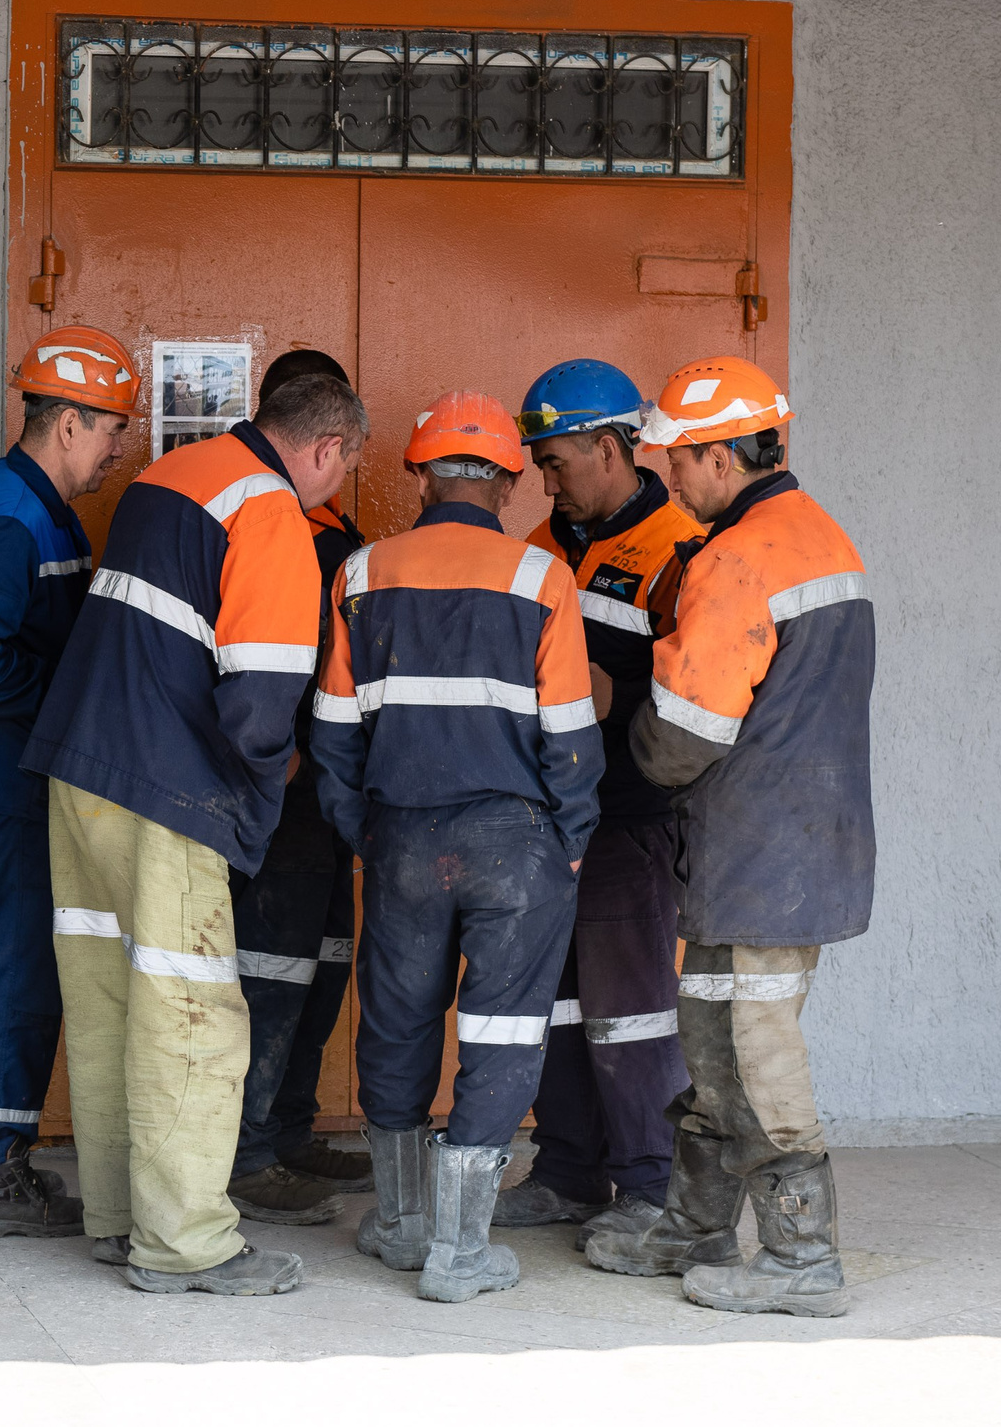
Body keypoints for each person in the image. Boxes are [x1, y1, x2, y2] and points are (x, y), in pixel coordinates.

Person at [23, 372, 367, 1297]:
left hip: (78, 770)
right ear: (327, 449)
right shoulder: (270, 512)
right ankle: (187, 1244)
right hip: (162, 791)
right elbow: (261, 698)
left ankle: (121, 1220)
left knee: (105, 1005)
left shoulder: (174, 475)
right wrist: (266, 790)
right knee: (191, 1014)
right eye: (342, 471)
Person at [583, 357, 874, 1318]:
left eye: (680, 459)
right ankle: (695, 1226)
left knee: (755, 1045)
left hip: (758, 841)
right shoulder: (818, 536)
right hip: (783, 837)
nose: (671, 477)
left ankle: (801, 1257)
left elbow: (683, 739)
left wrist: (613, 733)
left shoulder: (734, 559)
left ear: (720, 454)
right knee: (713, 1032)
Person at [312, 391, 602, 1304]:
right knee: (502, 1032)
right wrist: (570, 840)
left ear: (421, 475)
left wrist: (364, 829)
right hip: (516, 839)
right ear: (511, 482)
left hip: (400, 833)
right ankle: (460, 1253)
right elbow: (570, 731)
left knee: (396, 1021)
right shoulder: (539, 578)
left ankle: (399, 1223)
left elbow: (332, 731)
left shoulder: (361, 574)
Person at [0, 325, 137, 1237]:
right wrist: (61, 708)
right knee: (11, 961)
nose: (120, 446)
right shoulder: (21, 517)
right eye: (113, 427)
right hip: (9, 775)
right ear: (71, 421)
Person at [490, 359, 697, 1246]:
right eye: (538, 464)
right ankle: (572, 1170)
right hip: (552, 816)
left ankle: (651, 1188)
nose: (547, 480)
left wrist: (613, 693)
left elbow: (697, 694)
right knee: (562, 1004)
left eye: (559, 461)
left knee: (633, 1008)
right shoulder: (544, 544)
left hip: (632, 816)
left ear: (611, 448)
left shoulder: (679, 548)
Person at [222, 348, 373, 1228]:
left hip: (329, 790)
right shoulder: (263, 522)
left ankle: (288, 1129)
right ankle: (244, 1152)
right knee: (267, 970)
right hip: (275, 786)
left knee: (322, 965)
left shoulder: (337, 537)